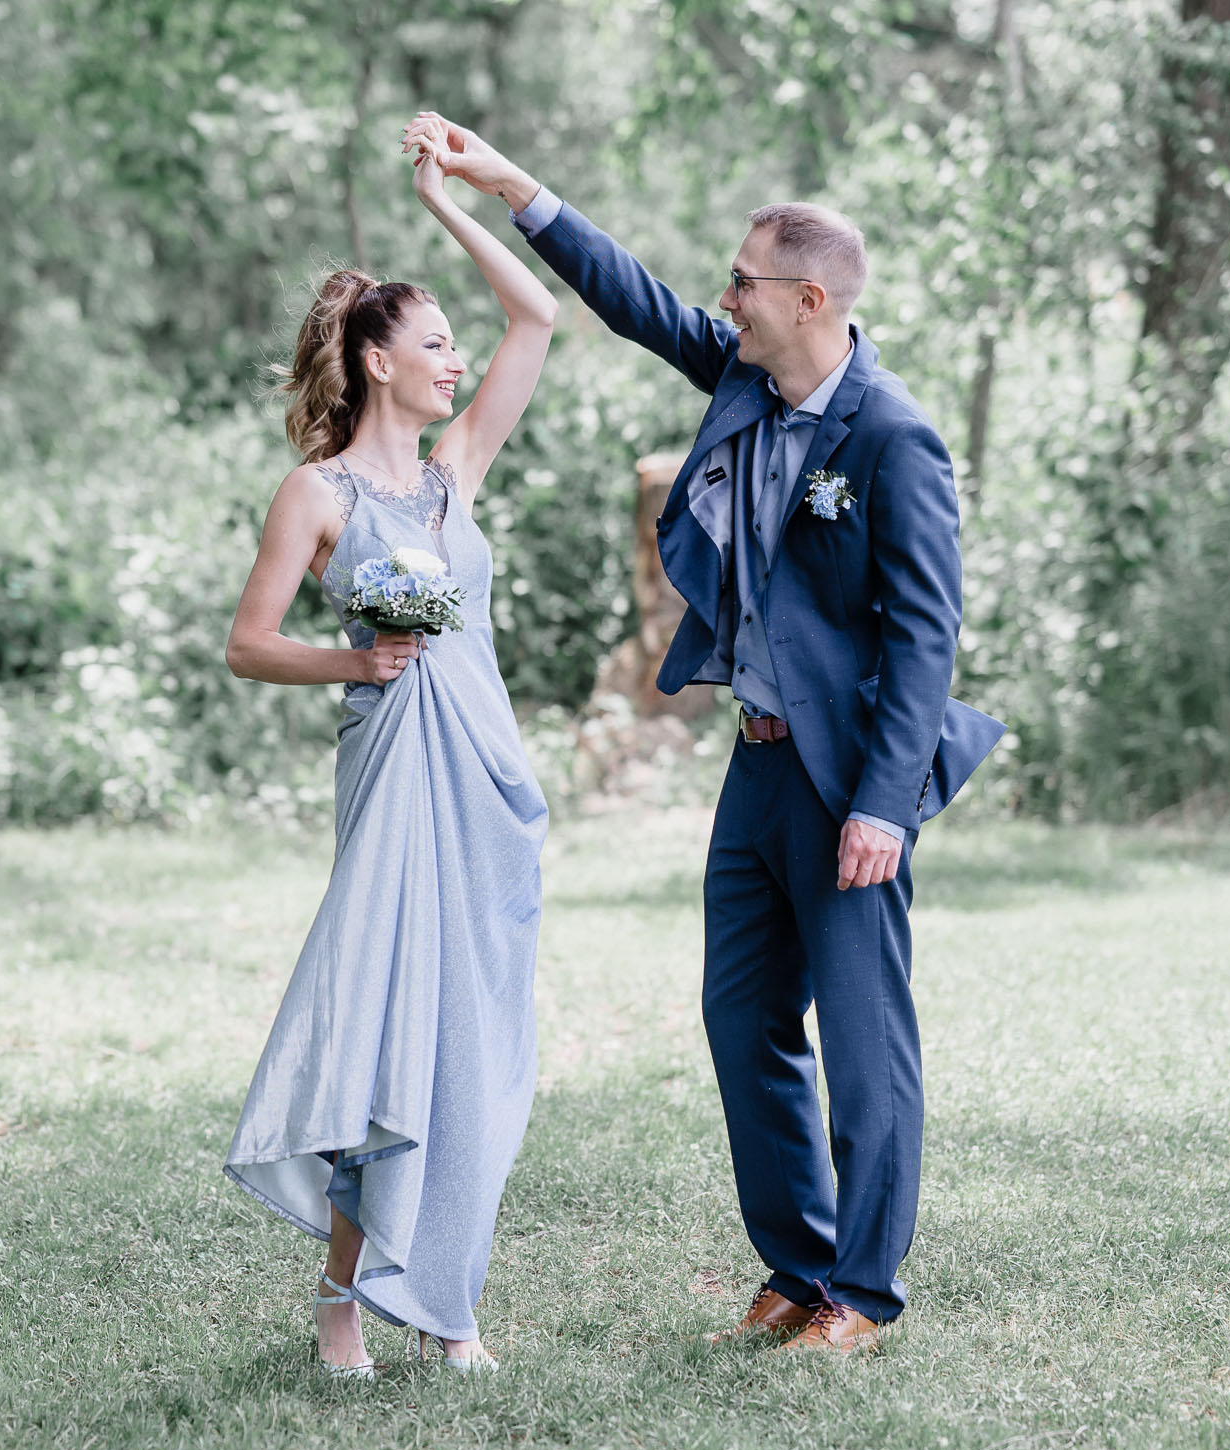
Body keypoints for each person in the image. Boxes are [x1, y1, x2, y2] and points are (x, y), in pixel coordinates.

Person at [415, 113, 1005, 1354]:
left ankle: (861, 1295)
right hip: (754, 763)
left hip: (848, 780)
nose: (723, 298)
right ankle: (795, 1266)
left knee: (863, 1042)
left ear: (807, 299)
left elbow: (924, 639)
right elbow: (631, 298)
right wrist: (508, 184)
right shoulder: (744, 374)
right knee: (742, 1021)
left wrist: (882, 805)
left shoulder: (891, 436)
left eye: (742, 281)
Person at [220, 116, 556, 1377]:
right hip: (389, 764)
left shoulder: (456, 472)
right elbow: (250, 644)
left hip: (481, 766)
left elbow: (537, 317)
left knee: (473, 1031)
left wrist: (448, 203)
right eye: (432, 343)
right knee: (386, 1023)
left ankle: (448, 1299)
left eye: (453, 346)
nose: (455, 361)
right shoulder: (316, 494)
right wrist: (353, 660)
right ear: (373, 359)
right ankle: (343, 1300)